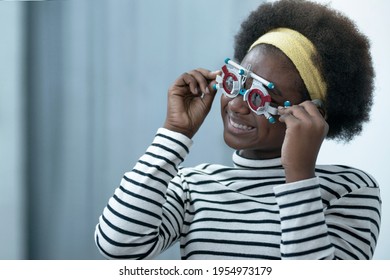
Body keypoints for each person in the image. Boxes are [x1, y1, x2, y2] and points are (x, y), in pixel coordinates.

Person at [94, 0, 381, 260]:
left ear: (311, 115)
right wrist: (174, 132)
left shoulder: (350, 189)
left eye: (260, 97)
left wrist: (299, 178)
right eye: (236, 82)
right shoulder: (193, 186)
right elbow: (118, 245)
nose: (236, 105)